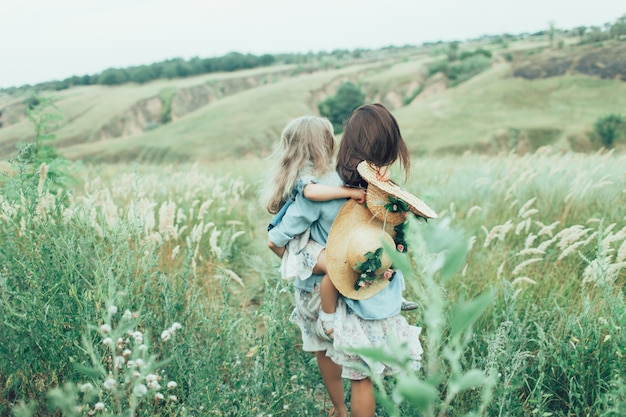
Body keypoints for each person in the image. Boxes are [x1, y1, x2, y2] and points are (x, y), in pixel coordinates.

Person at [264, 115, 364, 417]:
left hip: (316, 287)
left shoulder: (313, 189)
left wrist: (300, 260)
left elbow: (274, 240)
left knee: (324, 346)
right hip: (354, 276)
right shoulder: (348, 178)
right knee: (358, 346)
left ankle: (339, 409)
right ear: (327, 142)